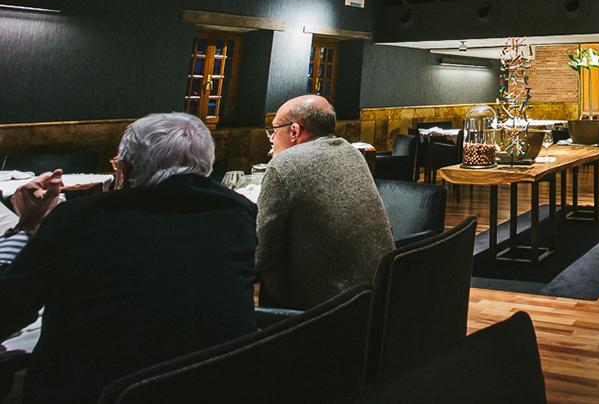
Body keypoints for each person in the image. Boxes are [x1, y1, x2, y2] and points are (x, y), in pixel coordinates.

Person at [0, 113, 257, 404]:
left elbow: (9, 309)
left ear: (125, 168)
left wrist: (28, 225)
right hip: (216, 386)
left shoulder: (79, 219)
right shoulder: (238, 213)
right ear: (206, 164)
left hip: (99, 392)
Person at [256, 94, 394, 310]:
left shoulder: (283, 165)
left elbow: (262, 255)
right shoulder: (352, 153)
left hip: (327, 310)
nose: (272, 139)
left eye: (274, 130)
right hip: (377, 297)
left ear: (294, 131)